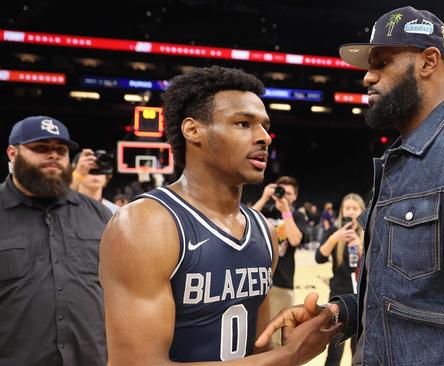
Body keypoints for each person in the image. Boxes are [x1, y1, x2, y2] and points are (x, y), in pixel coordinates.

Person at [257, 6, 444, 365]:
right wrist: (339, 312)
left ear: (428, 62)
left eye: (382, 63)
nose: (367, 78)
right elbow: (408, 297)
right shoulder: (399, 158)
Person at [99, 66, 340, 365]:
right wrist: (288, 357)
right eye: (243, 123)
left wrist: (286, 342)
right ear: (193, 130)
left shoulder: (262, 230)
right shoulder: (145, 224)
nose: (264, 137)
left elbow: (258, 349)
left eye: (265, 126)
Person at [0, 116, 112, 365]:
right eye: (40, 148)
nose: (53, 155)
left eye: (60, 150)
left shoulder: (98, 214)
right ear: (12, 153)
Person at [252, 175, 309, 347]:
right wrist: (264, 197)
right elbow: (245, 222)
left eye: (289, 193)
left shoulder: (297, 215)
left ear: (296, 196)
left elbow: (295, 240)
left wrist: (285, 211)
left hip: (282, 283)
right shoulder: (266, 211)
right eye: (281, 192)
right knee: (254, 336)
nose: (285, 196)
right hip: (257, 280)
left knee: (276, 340)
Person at [315, 193, 365, 366]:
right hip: (339, 299)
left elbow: (375, 264)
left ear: (362, 211)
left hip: (361, 299)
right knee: (334, 352)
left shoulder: (369, 233)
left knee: (358, 352)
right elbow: (319, 257)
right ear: (342, 211)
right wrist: (335, 238)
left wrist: (360, 246)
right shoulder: (334, 232)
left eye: (355, 208)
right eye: (347, 208)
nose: (350, 212)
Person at [70, 149, 119, 213]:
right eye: (90, 168)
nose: (95, 174)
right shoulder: (65, 208)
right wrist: (77, 175)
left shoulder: (115, 212)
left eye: (100, 168)